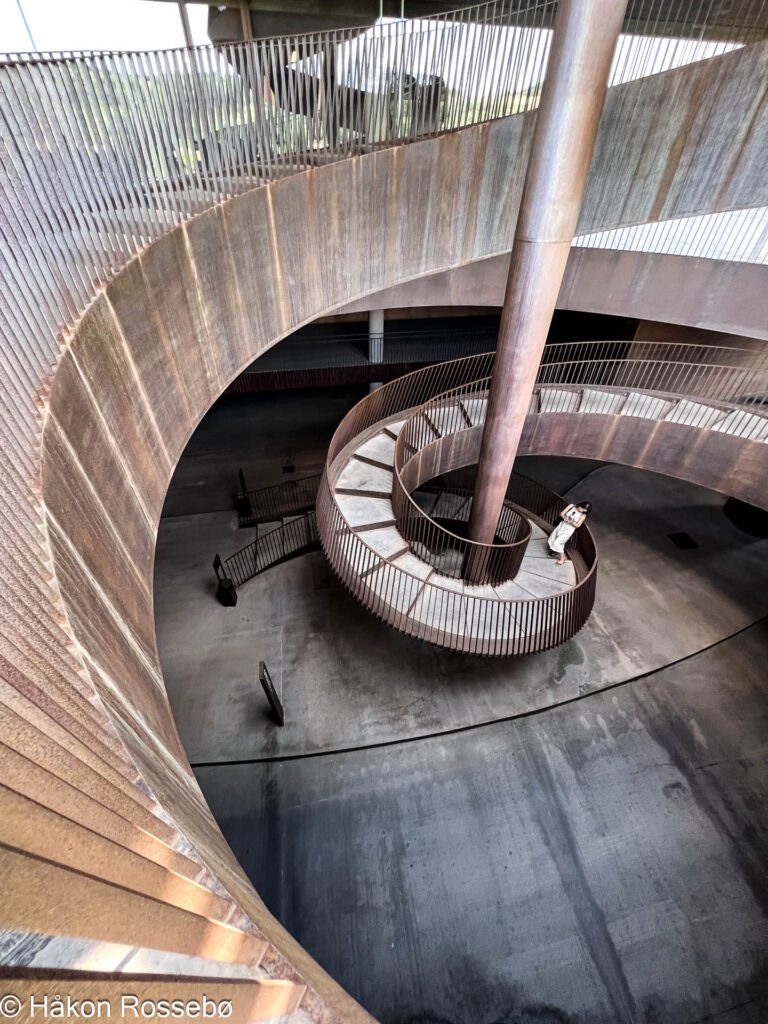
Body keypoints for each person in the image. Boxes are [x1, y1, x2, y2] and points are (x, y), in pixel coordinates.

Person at [548, 501, 592, 566]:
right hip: (562, 525)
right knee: (553, 538)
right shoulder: (571, 506)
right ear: (580, 505)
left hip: (569, 530)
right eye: (582, 508)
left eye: (584, 510)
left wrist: (571, 521)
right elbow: (562, 514)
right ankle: (555, 551)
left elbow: (577, 525)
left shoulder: (583, 515)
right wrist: (566, 519)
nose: (582, 511)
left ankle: (562, 558)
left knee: (558, 542)